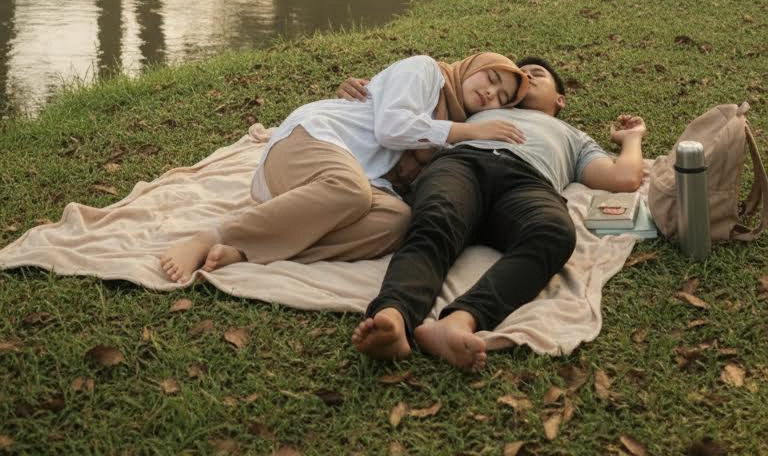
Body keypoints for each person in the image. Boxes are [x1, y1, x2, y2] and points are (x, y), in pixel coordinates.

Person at [349, 56, 647, 371]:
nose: (527, 77)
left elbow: (623, 177)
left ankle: (458, 323)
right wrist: (363, 87)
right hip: (463, 165)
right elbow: (423, 87)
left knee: (554, 232)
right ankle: (393, 316)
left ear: (560, 99)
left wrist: (632, 138)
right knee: (436, 218)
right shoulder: (481, 108)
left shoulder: (573, 136)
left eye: (537, 74)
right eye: (520, 76)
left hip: (528, 182)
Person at [159, 51, 529, 282]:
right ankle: (213, 236)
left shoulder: (460, 130)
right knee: (351, 188)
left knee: (398, 222)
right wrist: (465, 130)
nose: (489, 93)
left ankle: (246, 250)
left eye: (500, 98)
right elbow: (390, 128)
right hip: (313, 141)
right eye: (491, 78)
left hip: (338, 190)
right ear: (475, 66)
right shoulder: (425, 72)